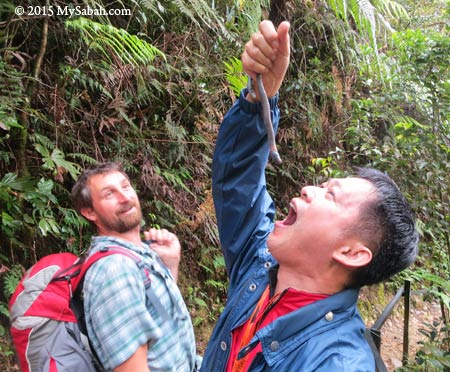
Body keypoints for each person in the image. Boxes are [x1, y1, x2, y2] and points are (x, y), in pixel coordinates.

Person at [201, 20, 419, 371]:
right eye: (323, 185)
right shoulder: (259, 271)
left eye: (331, 196)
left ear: (351, 252)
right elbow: (237, 186)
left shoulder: (335, 364)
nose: (309, 188)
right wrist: (261, 95)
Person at [71, 162, 198, 372]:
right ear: (89, 212)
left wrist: (170, 264)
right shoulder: (115, 270)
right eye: (109, 194)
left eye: (125, 186)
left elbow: (161, 319)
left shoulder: (136, 253)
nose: (125, 197)